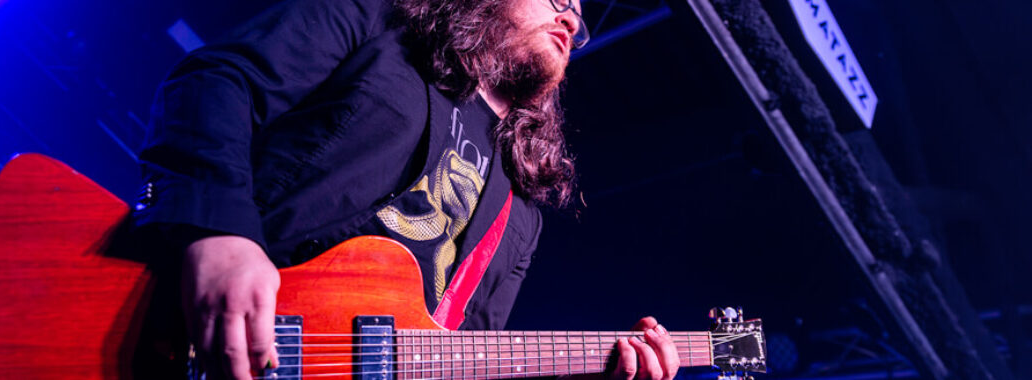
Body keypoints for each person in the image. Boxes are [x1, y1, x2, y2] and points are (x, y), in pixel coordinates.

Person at [132, 0, 680, 378]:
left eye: (580, 22)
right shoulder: (380, 21)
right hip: (170, 320)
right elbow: (216, 82)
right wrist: (221, 232)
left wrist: (598, 374)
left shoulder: (521, 215)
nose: (571, 19)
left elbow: (465, 362)